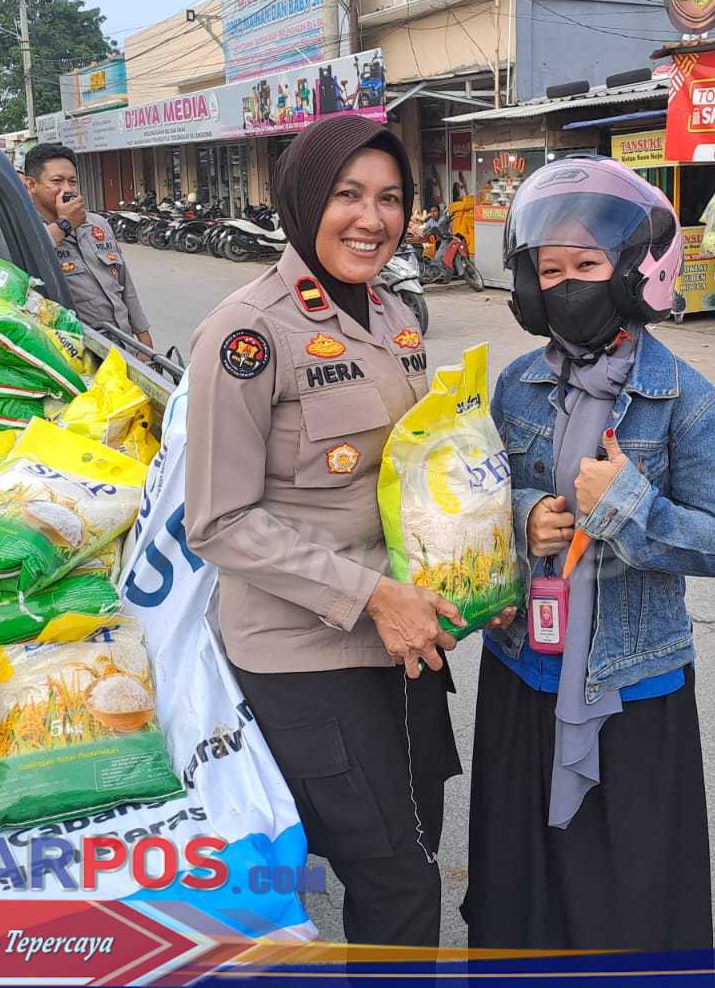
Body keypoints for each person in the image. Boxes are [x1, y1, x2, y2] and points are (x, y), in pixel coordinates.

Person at [462, 155, 715, 950]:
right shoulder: (517, 384)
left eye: (587, 265)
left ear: (632, 274)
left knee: (630, 885)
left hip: (633, 681)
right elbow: (478, 497)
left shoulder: (690, 402)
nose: (566, 286)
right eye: (549, 270)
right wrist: (525, 516)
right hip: (524, 663)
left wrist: (628, 506)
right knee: (525, 875)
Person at [183, 114, 463, 947]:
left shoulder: (393, 315)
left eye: (389, 198)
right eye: (347, 195)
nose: (371, 219)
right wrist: (372, 595)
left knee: (414, 845)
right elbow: (219, 520)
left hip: (403, 639)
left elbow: (407, 469)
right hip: (308, 655)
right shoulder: (246, 333)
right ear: (304, 200)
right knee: (398, 879)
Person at [21, 141, 153, 352]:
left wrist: (144, 339)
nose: (67, 189)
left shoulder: (97, 225)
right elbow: (31, 254)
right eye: (57, 181)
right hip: (77, 353)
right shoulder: (26, 231)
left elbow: (125, 286)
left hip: (125, 345)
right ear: (30, 184)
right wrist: (65, 224)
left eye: (72, 182)